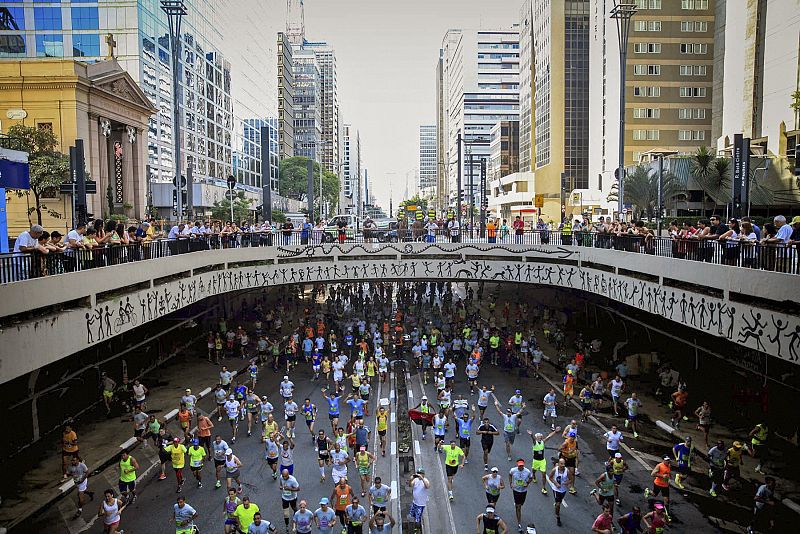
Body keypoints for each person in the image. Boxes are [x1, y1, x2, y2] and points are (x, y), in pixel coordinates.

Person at [509, 459, 534, 533]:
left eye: (522, 465)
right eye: (519, 465)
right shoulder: (513, 470)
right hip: (516, 490)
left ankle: (518, 505)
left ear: (523, 465)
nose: (521, 467)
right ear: (517, 465)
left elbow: (531, 477)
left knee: (521, 504)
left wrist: (527, 483)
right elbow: (510, 475)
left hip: (523, 491)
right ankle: (519, 523)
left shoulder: (527, 471)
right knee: (518, 507)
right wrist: (511, 483)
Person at [548, 458, 572, 526]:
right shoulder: (554, 470)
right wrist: (556, 483)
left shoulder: (567, 471)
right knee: (558, 504)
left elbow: (571, 479)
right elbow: (550, 477)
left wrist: (566, 483)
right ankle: (558, 517)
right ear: (558, 464)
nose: (563, 465)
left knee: (560, 501)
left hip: (563, 490)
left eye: (564, 464)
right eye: (561, 464)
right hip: (556, 489)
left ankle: (557, 505)